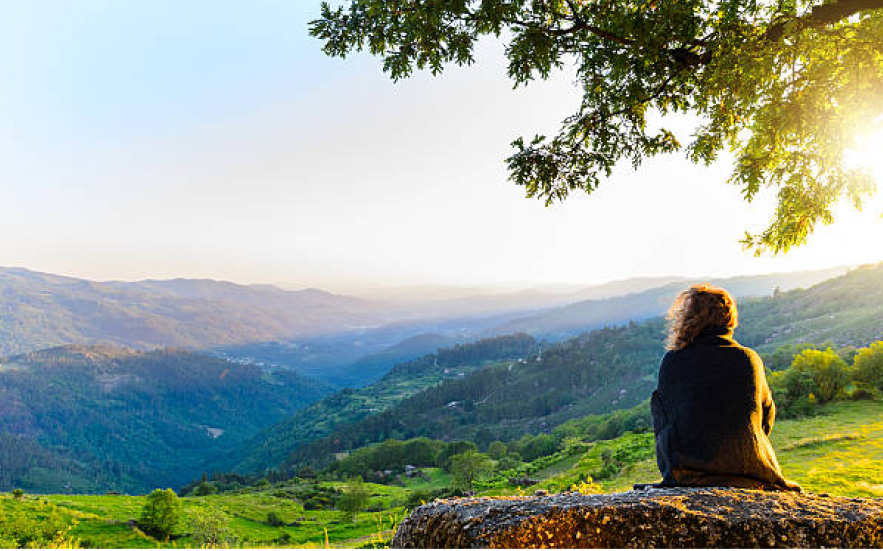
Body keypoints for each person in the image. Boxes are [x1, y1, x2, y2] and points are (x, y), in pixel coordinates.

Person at [649, 283, 801, 491]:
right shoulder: (748, 358)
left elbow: (664, 420)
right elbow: (767, 417)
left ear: (688, 319)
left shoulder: (673, 360)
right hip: (752, 472)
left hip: (686, 475)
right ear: (729, 318)